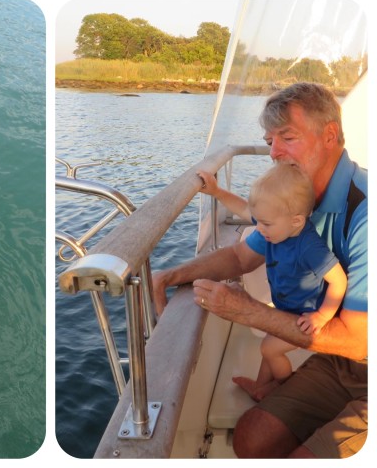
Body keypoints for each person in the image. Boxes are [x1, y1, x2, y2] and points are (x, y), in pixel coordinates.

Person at [152, 82, 367, 458]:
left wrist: (250, 312)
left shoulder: (366, 210)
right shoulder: (297, 194)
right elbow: (240, 259)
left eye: (287, 137)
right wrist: (172, 275)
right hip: (343, 364)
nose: (274, 152)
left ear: (330, 135)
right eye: (269, 141)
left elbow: (359, 340)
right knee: (250, 439)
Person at [198, 164, 347, 401]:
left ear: (297, 221)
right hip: (286, 309)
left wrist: (322, 316)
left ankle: (285, 389)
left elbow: (338, 281)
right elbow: (245, 209)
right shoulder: (279, 225)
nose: (258, 229)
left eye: (265, 224)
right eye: (259, 221)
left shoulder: (310, 247)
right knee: (269, 347)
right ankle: (260, 387)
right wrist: (216, 192)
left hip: (305, 318)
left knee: (269, 349)